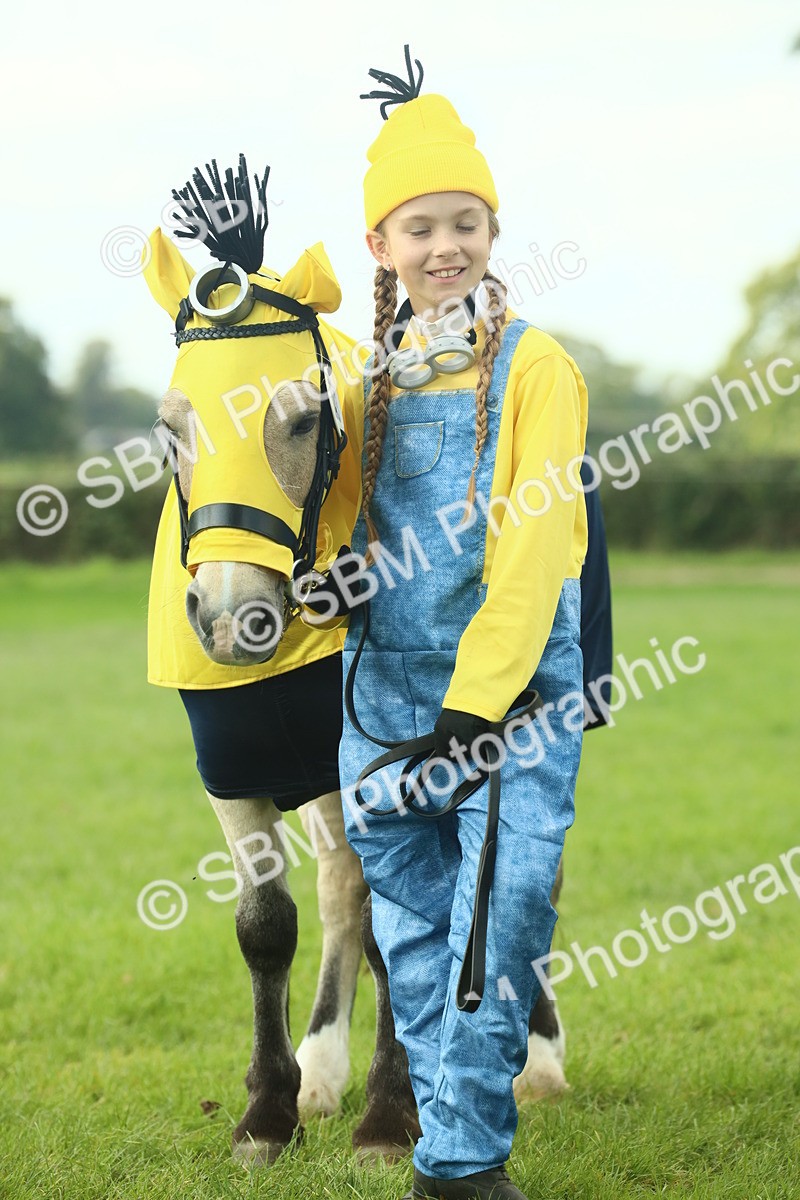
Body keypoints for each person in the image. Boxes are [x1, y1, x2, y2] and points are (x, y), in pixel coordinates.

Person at [338, 49, 589, 1200]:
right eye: (420, 227)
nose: (446, 247)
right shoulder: (365, 386)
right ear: (380, 246)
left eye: (468, 223)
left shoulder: (539, 368)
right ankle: (458, 1152)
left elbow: (536, 551)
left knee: (497, 928)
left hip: (506, 708)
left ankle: (458, 1164)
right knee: (419, 938)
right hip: (382, 714)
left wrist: (468, 710)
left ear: (493, 233)